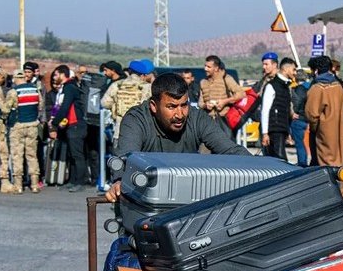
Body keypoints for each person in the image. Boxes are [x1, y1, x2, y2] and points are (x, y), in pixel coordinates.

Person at [105, 73, 250, 202]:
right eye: (171, 107)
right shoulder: (136, 119)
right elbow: (126, 157)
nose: (180, 114)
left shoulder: (197, 118)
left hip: (186, 197)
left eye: (184, 105)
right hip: (146, 197)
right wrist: (118, 181)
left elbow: (230, 150)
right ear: (154, 106)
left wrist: (263, 168)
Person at [305, 55, 343, 205]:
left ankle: (333, 198)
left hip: (326, 133)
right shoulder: (341, 85)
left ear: (316, 70)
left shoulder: (318, 88)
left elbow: (311, 114)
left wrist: (315, 128)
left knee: (329, 165)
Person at [49, 64, 87, 192]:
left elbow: (64, 107)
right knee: (71, 154)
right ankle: (72, 180)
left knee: (77, 155)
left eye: (55, 74)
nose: (54, 78)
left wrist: (54, 123)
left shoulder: (69, 88)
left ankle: (80, 181)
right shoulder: (66, 87)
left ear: (62, 74)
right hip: (69, 125)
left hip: (76, 125)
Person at [102, 60, 152, 149]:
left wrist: (116, 106)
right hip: (141, 131)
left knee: (119, 160)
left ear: (129, 72)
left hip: (119, 131)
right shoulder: (147, 87)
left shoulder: (117, 85)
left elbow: (104, 103)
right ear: (142, 75)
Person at [8, 70, 43, 193]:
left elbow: (7, 109)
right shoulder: (35, 89)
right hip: (32, 125)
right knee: (32, 155)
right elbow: (41, 106)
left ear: (15, 78)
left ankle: (18, 185)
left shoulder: (14, 91)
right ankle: (34, 184)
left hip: (18, 126)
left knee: (17, 155)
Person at [260, 57, 297, 161]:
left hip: (281, 129)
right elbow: (265, 111)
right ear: (286, 69)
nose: (295, 73)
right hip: (273, 130)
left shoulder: (286, 87)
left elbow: (285, 111)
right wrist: (265, 133)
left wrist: (287, 131)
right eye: (293, 69)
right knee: (279, 160)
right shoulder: (272, 86)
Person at [199, 55, 245, 137]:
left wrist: (224, 102)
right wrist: (206, 105)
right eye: (205, 66)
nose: (205, 69)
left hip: (224, 121)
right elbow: (200, 102)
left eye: (208, 67)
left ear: (216, 68)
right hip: (207, 122)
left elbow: (241, 94)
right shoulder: (203, 82)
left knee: (225, 148)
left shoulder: (226, 79)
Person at [290, 69, 311, 167]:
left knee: (300, 144)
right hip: (310, 119)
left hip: (299, 119)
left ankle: (302, 163)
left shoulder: (297, 90)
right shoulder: (312, 87)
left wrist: (293, 112)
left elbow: (296, 103)